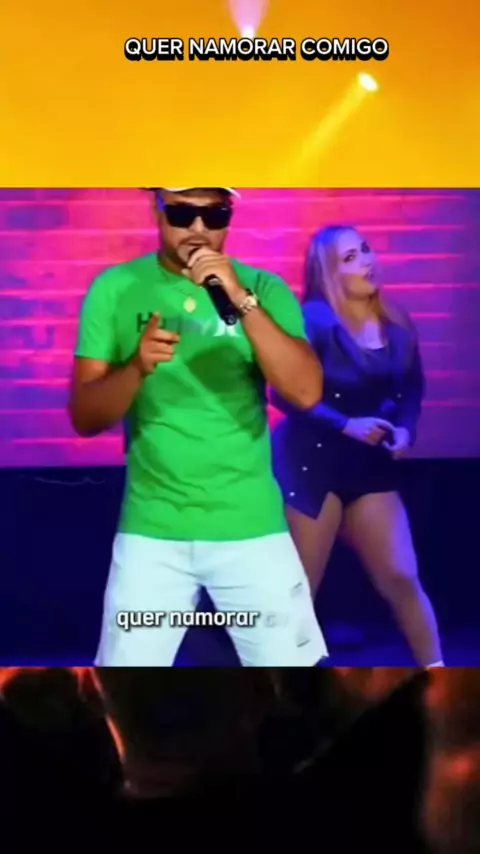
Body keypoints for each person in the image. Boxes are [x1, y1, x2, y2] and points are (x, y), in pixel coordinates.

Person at [68, 187, 327, 667]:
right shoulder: (115, 288)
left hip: (250, 527)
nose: (199, 229)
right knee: (126, 685)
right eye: (183, 213)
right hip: (152, 532)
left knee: (293, 684)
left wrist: (240, 299)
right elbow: (85, 416)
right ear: (157, 209)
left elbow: (307, 392)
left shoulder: (262, 288)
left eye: (215, 215)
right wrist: (136, 369)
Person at [271, 224, 444, 668]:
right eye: (350, 258)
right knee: (298, 592)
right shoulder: (312, 321)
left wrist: (406, 430)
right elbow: (282, 393)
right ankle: (274, 686)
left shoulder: (396, 323)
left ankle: (438, 673)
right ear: (330, 273)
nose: (367, 261)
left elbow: (412, 387)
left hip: (367, 469)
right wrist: (344, 424)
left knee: (402, 576)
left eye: (365, 250)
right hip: (311, 466)